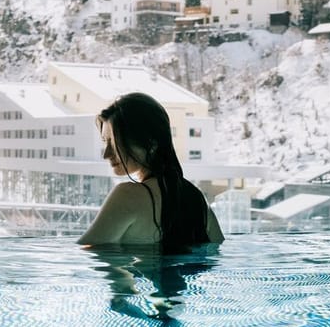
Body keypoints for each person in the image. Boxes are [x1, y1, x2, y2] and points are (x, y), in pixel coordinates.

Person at [78, 92, 223, 248]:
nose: (106, 154)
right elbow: (217, 250)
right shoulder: (197, 200)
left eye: (114, 143)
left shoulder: (128, 195)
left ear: (151, 143)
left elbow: (87, 253)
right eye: (105, 142)